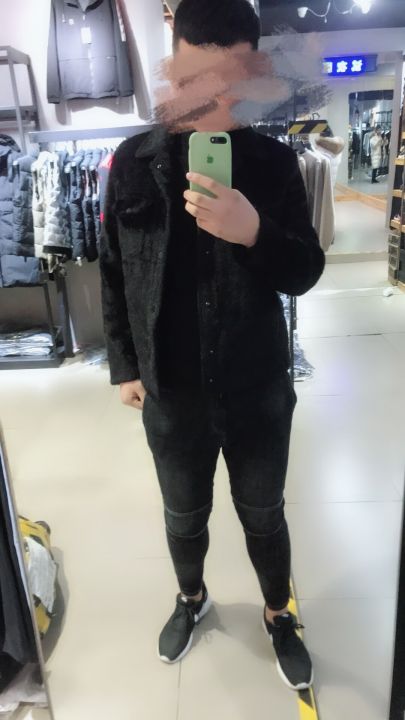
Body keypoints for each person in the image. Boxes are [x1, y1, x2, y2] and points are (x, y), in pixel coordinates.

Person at [99, 0, 325, 692]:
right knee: (183, 513)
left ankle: (278, 613)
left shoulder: (274, 164)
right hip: (170, 390)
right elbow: (113, 269)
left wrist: (253, 231)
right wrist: (124, 365)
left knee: (264, 513)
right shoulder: (132, 163)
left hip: (256, 386)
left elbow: (305, 272)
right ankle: (191, 597)